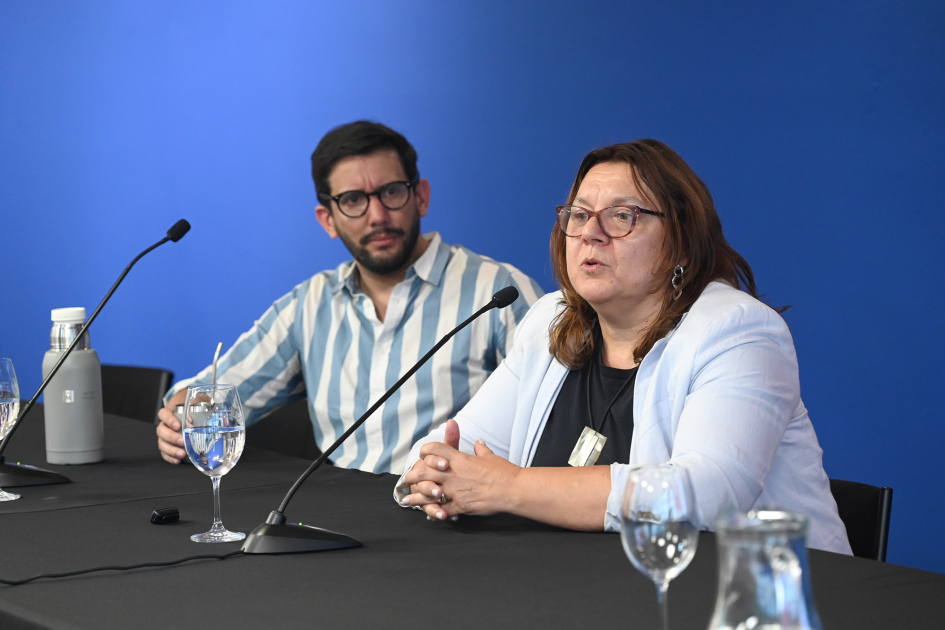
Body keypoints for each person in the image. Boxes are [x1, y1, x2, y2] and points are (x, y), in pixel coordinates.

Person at [396, 139, 851, 554]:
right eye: (579, 215)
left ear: (682, 242)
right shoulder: (551, 321)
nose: (591, 234)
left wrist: (511, 487)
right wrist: (440, 479)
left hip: (755, 597)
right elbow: (453, 448)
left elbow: (705, 495)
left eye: (622, 216)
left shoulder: (739, 332)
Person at [156, 121, 543, 473]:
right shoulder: (308, 306)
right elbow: (208, 395)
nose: (377, 215)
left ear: (420, 197)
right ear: (328, 220)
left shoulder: (500, 293)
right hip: (339, 519)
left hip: (457, 519)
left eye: (391, 192)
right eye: (354, 200)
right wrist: (180, 420)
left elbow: (559, 423)